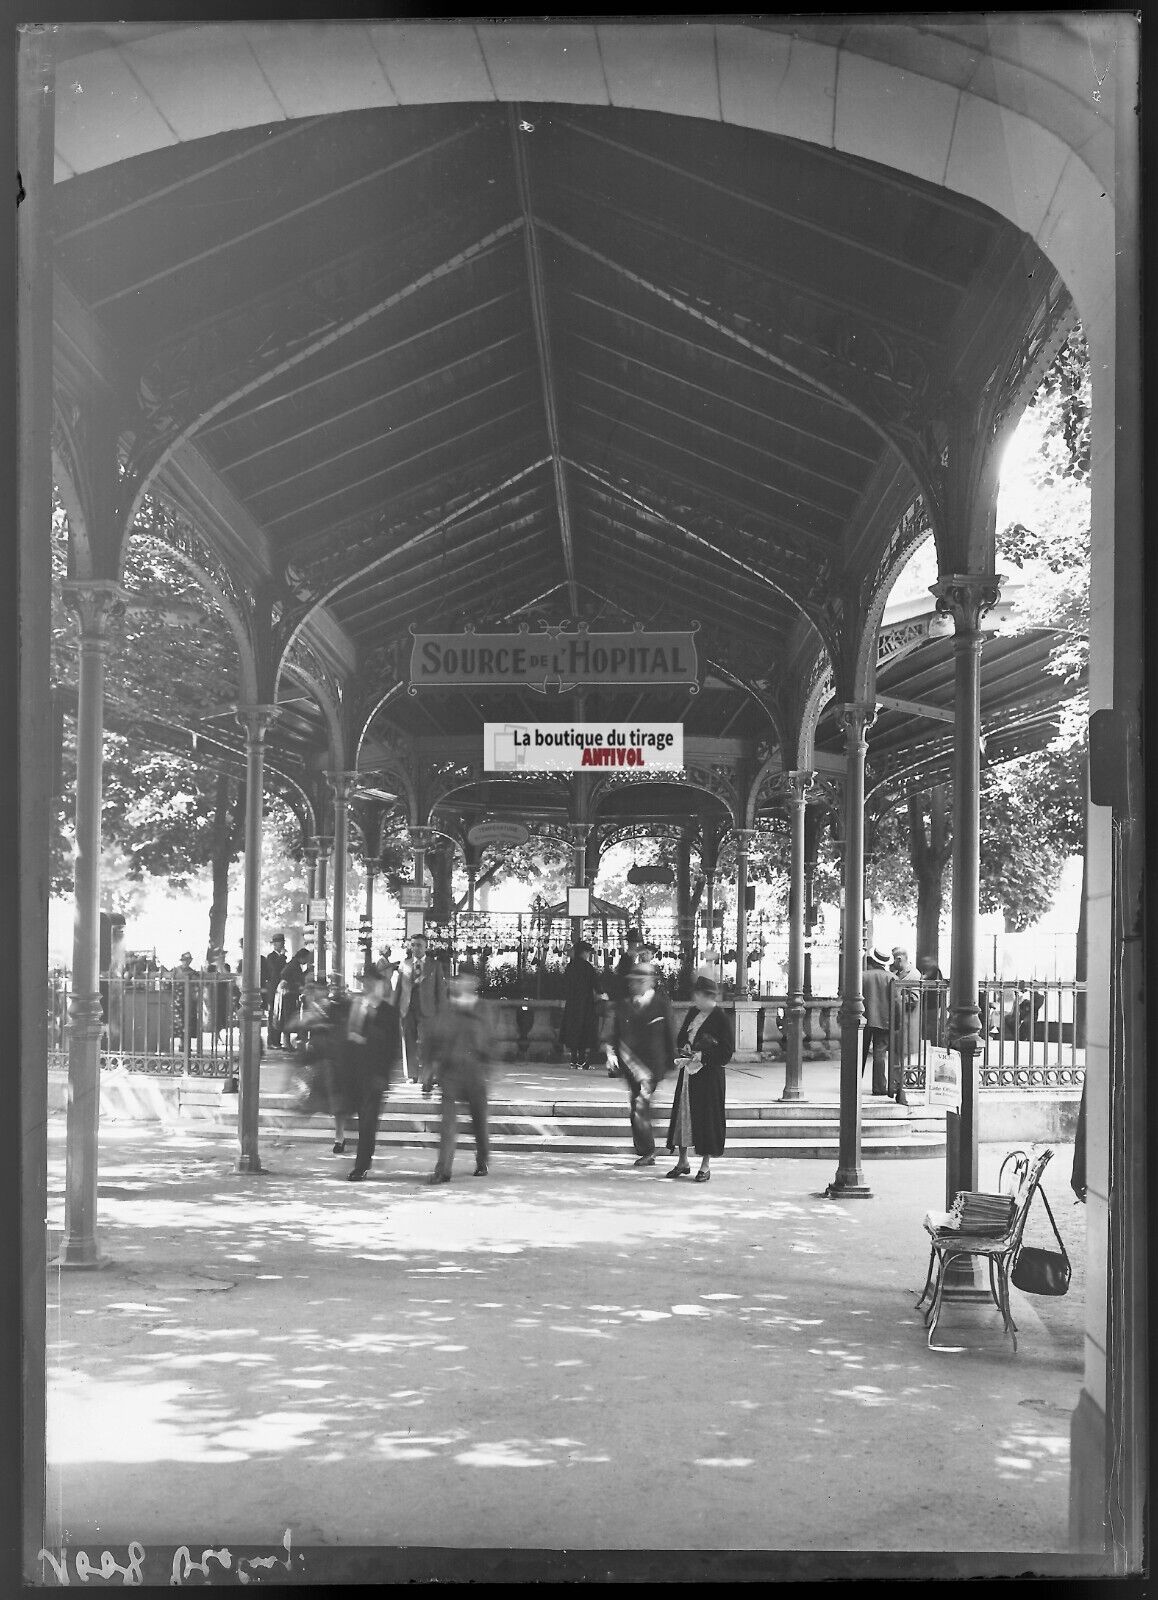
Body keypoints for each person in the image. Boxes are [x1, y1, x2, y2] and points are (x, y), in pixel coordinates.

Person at [421, 962, 496, 1184]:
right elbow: (431, 1039)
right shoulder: (446, 1009)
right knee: (448, 1125)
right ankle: (443, 1170)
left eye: (466, 978)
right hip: (450, 1072)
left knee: (479, 1122)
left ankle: (482, 1159)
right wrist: (427, 1068)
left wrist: (488, 1069)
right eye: (459, 978)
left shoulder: (482, 1009)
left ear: (474, 982)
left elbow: (490, 1042)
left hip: (474, 1072)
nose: (461, 982)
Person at [666, 973, 734, 1182]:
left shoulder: (720, 1017)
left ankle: (705, 1164)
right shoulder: (694, 1013)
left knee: (707, 1119)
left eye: (698, 995)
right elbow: (681, 1036)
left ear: (707, 996)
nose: (695, 1000)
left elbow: (727, 1051)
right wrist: (685, 1046)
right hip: (689, 1074)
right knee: (683, 1115)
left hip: (709, 1077)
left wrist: (704, 1054)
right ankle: (682, 1160)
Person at [609, 955, 677, 1167]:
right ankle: (646, 1145)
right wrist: (612, 1055)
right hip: (630, 1066)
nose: (633, 984)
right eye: (631, 980)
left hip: (652, 1067)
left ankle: (648, 1150)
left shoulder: (661, 1004)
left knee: (640, 1106)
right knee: (637, 1107)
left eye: (637, 980)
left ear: (649, 982)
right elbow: (615, 1034)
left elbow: (670, 1034)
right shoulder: (624, 1004)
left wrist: (672, 1061)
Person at [344, 963, 403, 1181]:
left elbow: (392, 1047)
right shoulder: (356, 1006)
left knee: (368, 1121)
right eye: (365, 983)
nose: (368, 987)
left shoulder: (388, 1012)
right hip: (355, 1072)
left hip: (375, 1074)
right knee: (359, 1119)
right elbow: (348, 1037)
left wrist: (384, 1075)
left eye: (372, 983)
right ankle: (361, 1158)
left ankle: (361, 1165)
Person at [399, 933, 446, 1084]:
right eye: (412, 945)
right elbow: (399, 989)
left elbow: (441, 991)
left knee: (428, 1042)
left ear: (426, 946)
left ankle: (428, 1074)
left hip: (428, 1010)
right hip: (408, 1009)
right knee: (409, 1042)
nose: (415, 948)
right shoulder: (404, 965)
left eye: (419, 945)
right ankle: (412, 1075)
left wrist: (441, 1013)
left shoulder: (435, 965)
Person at [560, 941, 601, 1068]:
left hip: (572, 1003)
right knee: (584, 1030)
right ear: (584, 952)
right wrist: (602, 993)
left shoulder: (570, 966)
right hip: (586, 1003)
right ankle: (582, 1059)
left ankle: (573, 1059)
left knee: (573, 1029)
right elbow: (595, 983)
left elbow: (565, 984)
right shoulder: (587, 967)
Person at [889, 948, 918, 1105]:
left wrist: (896, 999)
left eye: (895, 959)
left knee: (902, 1055)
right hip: (899, 1022)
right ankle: (897, 1084)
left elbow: (913, 1000)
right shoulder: (899, 973)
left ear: (900, 959)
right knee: (897, 1055)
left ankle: (901, 1085)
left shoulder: (913, 975)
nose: (893, 962)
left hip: (906, 1021)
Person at [861, 947, 892, 1095]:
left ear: (872, 960)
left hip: (864, 1019)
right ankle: (879, 1087)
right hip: (884, 1021)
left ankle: (853, 1083)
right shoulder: (892, 978)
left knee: (860, 1051)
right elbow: (896, 1002)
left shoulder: (862, 976)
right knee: (880, 1054)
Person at [272, 948, 312, 1054]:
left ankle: (287, 1043)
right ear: (302, 957)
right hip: (288, 995)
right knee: (287, 1018)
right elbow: (292, 978)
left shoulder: (294, 964)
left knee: (288, 1018)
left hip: (288, 994)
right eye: (307, 958)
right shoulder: (294, 965)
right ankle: (287, 1043)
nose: (307, 961)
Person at [262, 934, 289, 1047]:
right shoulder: (271, 957)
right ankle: (272, 1041)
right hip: (273, 990)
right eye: (278, 942)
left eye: (282, 942)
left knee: (279, 1015)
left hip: (280, 990)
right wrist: (282, 956)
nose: (281, 944)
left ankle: (276, 1041)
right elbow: (275, 970)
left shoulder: (282, 957)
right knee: (273, 1015)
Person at [172, 951, 201, 1053]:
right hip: (177, 1000)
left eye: (187, 960)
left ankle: (185, 1045)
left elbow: (198, 984)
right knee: (179, 1022)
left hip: (189, 1000)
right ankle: (180, 1045)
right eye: (184, 960)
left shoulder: (193, 972)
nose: (186, 962)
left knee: (188, 1022)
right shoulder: (175, 971)